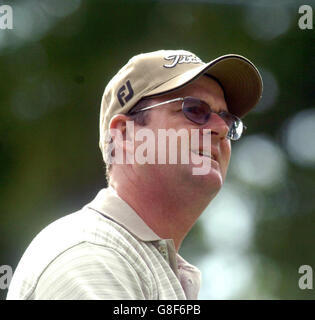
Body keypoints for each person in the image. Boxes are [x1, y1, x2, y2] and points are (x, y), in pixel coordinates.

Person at [7, 49, 263, 300]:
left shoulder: (130, 258)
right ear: (125, 134)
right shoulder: (91, 255)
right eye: (194, 110)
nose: (220, 128)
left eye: (228, 119)